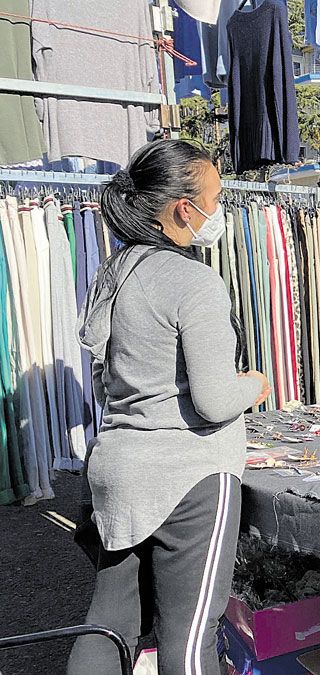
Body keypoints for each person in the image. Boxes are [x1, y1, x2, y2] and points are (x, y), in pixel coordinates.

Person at [70, 140, 272, 675]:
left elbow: (102, 378)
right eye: (216, 197)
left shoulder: (114, 272)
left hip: (118, 468)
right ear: (186, 208)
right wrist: (253, 385)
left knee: (110, 622)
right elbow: (212, 400)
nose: (219, 210)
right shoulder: (194, 280)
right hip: (191, 476)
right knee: (190, 636)